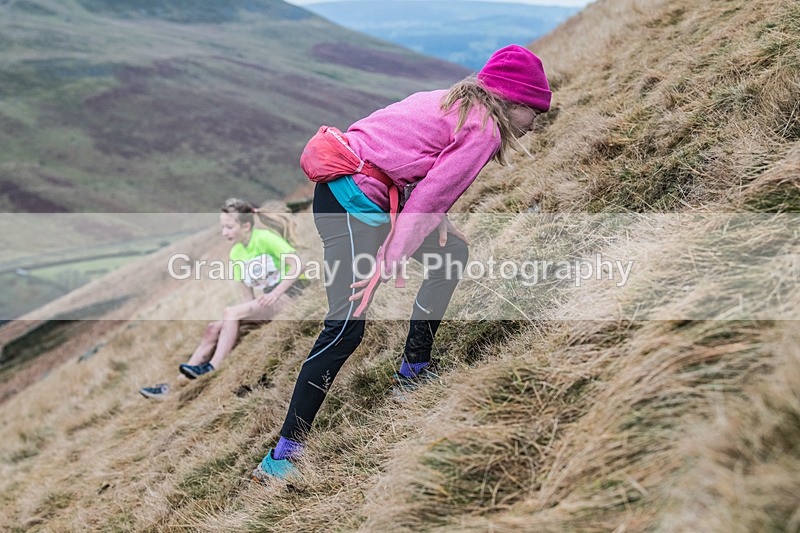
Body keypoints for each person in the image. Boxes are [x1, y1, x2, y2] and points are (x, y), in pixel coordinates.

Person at [251, 45, 551, 481]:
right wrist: (392, 256)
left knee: (451, 253)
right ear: (511, 99)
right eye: (533, 111)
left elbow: (403, 155)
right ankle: (283, 454)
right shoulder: (485, 129)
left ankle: (414, 368)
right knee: (345, 326)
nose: (534, 123)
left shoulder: (450, 100)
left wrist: (433, 223)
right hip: (352, 208)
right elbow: (430, 194)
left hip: (348, 194)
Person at [140, 198, 308, 400]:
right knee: (213, 328)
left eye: (229, 227)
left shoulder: (265, 238)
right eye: (222, 227)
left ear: (246, 226)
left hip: (292, 295)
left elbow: (298, 264)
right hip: (269, 303)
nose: (224, 232)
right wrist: (244, 317)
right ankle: (174, 386)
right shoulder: (236, 252)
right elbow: (247, 296)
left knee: (230, 312)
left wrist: (275, 293)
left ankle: (213, 366)